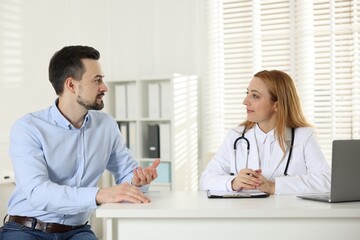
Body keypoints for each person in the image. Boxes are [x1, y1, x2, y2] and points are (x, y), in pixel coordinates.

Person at [0, 45, 160, 240]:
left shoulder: (106, 125)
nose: (105, 87)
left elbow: (126, 173)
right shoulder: (28, 128)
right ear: (71, 85)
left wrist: (136, 181)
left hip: (77, 231)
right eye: (97, 80)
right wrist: (99, 194)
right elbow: (38, 192)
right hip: (26, 229)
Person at [200, 70, 331, 195]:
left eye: (255, 96)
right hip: (244, 214)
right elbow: (206, 179)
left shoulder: (303, 136)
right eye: (247, 93)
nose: (245, 101)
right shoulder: (235, 136)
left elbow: (326, 181)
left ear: (277, 105)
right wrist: (233, 182)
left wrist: (273, 186)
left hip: (286, 215)